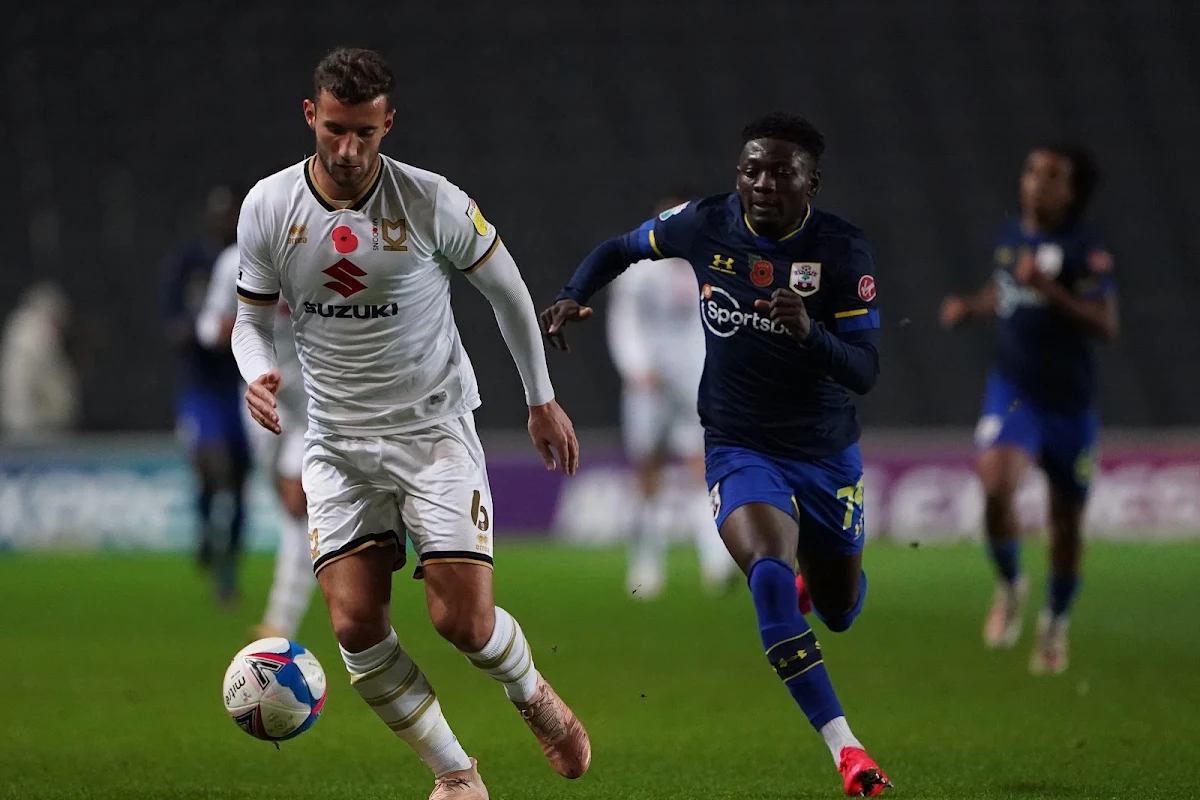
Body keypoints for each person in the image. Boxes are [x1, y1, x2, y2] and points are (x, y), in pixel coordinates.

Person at [230, 47, 590, 800]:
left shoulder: (432, 202)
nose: (349, 149)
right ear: (311, 117)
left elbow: (509, 292)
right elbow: (250, 320)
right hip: (335, 443)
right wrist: (254, 371)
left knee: (462, 621)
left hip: (432, 434)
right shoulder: (268, 206)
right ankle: (456, 775)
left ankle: (530, 691)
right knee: (356, 627)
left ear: (388, 122)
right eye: (334, 130)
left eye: (365, 132)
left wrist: (540, 398)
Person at [541, 112, 890, 797]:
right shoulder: (704, 223)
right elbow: (619, 249)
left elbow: (865, 371)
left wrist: (811, 336)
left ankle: (812, 588)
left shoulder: (843, 251)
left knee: (841, 608)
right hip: (737, 442)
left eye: (778, 172)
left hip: (824, 454)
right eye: (749, 169)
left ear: (810, 182)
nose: (760, 183)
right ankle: (846, 750)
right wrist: (571, 295)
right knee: (764, 568)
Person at [940, 142, 1117, 675]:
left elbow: (1106, 325)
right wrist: (969, 308)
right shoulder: (1009, 237)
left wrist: (1050, 289)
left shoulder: (1087, 251)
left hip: (1068, 403)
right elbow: (1004, 293)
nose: (1037, 182)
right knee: (995, 487)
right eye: (1031, 172)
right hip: (1014, 392)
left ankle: (1055, 624)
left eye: (1052, 176)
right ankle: (1012, 583)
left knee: (1066, 525)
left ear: (1071, 191)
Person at [606, 192, 736, 599]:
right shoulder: (640, 270)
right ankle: (646, 564)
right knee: (648, 471)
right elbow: (624, 321)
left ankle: (716, 561)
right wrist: (635, 367)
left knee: (703, 467)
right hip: (649, 384)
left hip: (694, 382)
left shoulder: (709, 265)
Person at [196, 239, 315, 641]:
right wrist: (230, 327)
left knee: (298, 503)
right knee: (288, 509)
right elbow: (208, 326)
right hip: (261, 399)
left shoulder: (318, 250)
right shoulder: (234, 261)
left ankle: (281, 620)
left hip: (316, 400)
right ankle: (287, 612)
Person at [161, 183, 251, 604]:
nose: (225, 222)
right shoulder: (187, 263)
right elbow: (172, 323)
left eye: (230, 214)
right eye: (219, 215)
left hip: (245, 383)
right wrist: (200, 329)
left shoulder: (255, 260)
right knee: (212, 466)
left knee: (240, 479)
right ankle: (206, 536)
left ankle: (228, 565)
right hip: (202, 386)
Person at [0, 281, 80, 438]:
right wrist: (23, 428)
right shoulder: (28, 337)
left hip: (47, 427)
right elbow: (17, 386)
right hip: (33, 432)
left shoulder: (44, 341)